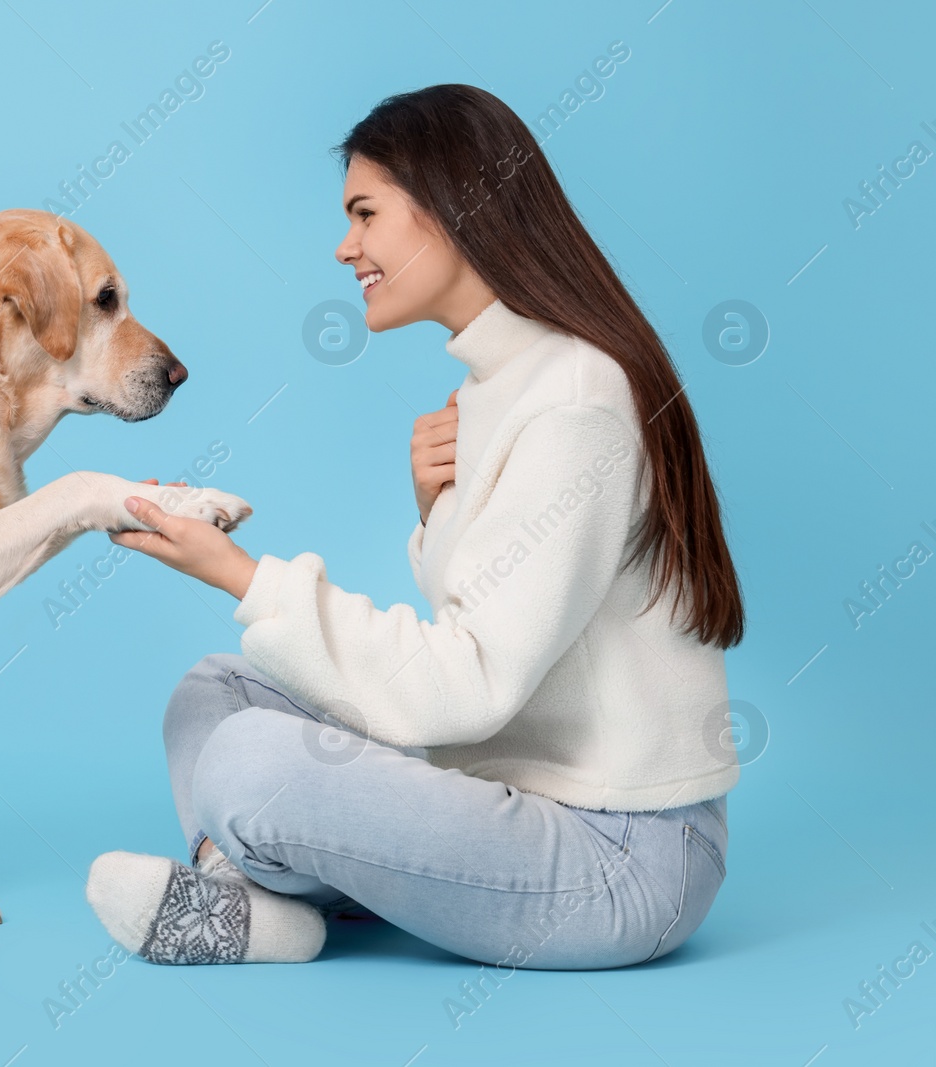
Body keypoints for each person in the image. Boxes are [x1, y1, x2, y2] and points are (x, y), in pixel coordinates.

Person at [83, 83, 744, 970]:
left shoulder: (574, 399)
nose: (344, 246)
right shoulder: (498, 383)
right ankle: (248, 904)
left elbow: (471, 681)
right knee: (218, 692)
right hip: (512, 794)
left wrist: (241, 575)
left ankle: (247, 897)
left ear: (454, 202)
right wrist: (438, 515)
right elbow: (505, 622)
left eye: (364, 213)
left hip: (622, 857)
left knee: (250, 763)